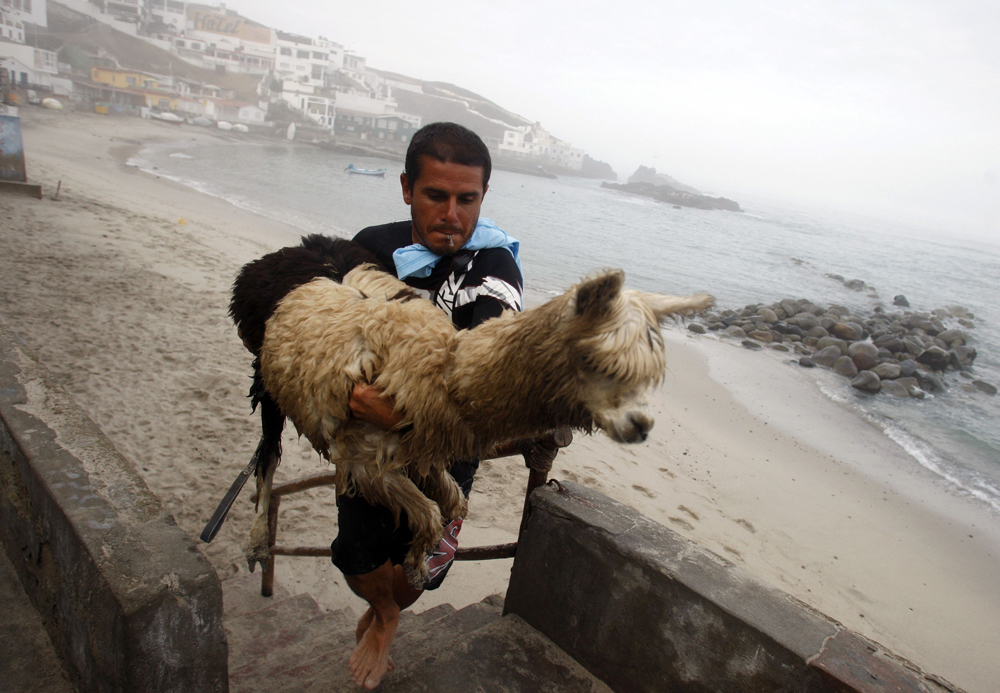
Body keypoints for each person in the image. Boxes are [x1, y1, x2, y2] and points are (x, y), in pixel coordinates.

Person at [333, 122, 523, 690]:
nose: (452, 214)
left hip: (447, 449)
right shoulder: (371, 248)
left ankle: (394, 612)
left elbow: (484, 387)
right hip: (366, 440)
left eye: (468, 199)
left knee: (421, 569)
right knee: (357, 556)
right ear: (406, 188)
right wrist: (339, 392)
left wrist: (403, 415)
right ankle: (384, 614)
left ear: (483, 198)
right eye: (436, 195)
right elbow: (332, 333)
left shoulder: (495, 270)